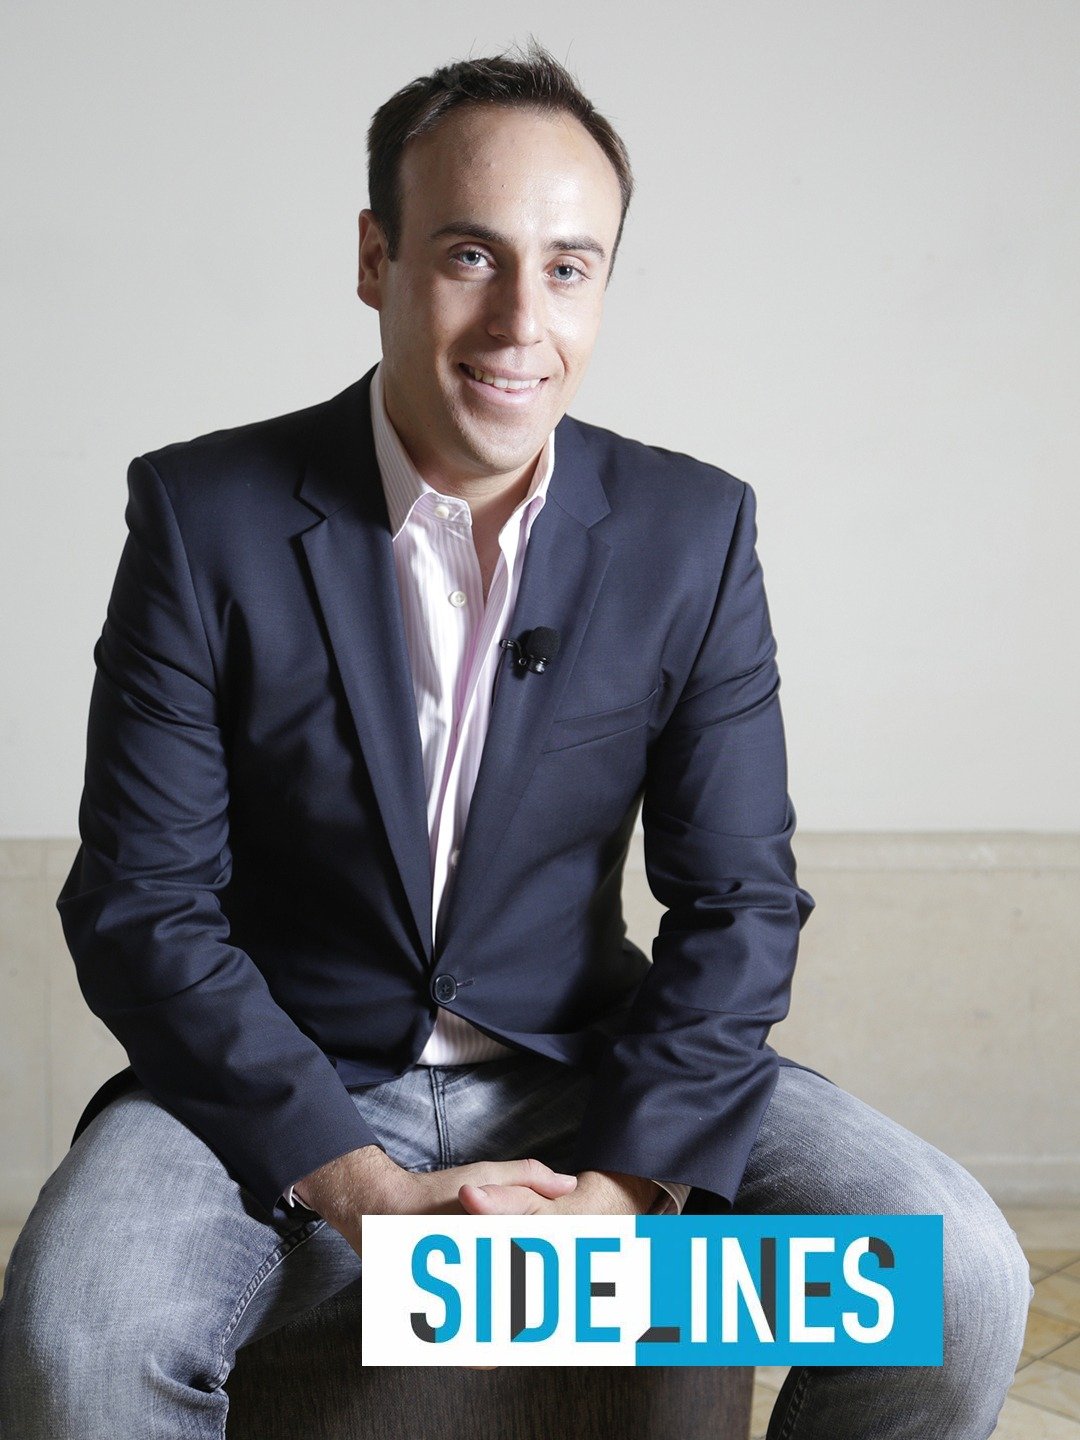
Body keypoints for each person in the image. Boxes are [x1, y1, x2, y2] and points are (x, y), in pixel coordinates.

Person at [0, 44, 1030, 1439]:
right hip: (277, 1086)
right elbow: (144, 904)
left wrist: (619, 1198)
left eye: (569, 266)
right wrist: (363, 1192)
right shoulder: (204, 516)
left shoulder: (692, 531)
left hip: (583, 1071)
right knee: (79, 1340)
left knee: (958, 1281)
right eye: (471, 255)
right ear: (376, 258)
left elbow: (739, 905)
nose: (519, 323)